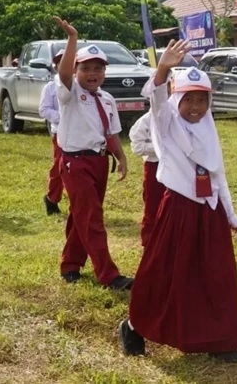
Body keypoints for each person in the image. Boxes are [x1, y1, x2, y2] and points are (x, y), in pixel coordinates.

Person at [120, 42, 237, 362]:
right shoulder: (165, 123)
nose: (195, 107)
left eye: (202, 100)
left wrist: (230, 215)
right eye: (188, 99)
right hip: (178, 210)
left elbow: (218, 176)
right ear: (177, 100)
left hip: (210, 212)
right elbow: (156, 96)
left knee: (216, 277)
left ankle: (221, 341)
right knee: (163, 273)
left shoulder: (208, 129)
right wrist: (163, 67)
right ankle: (135, 327)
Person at [52, 17, 133, 290]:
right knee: (92, 219)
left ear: (105, 73)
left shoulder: (107, 99)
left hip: (99, 162)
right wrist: (72, 39)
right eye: (85, 68)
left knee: (82, 215)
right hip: (75, 162)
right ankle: (108, 275)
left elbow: (111, 133)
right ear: (76, 71)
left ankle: (70, 265)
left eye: (98, 69)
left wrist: (120, 157)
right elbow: (64, 75)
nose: (92, 73)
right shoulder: (70, 92)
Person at [129, 109, 164, 247]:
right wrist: (161, 147)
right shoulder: (147, 120)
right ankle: (149, 245)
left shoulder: (180, 117)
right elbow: (137, 146)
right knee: (153, 206)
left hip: (178, 167)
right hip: (154, 166)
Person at [39, 49, 66, 215]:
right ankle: (52, 198)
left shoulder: (81, 86)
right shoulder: (50, 87)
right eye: (60, 63)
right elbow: (44, 109)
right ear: (55, 66)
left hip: (82, 136)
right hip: (61, 133)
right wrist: (62, 118)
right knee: (59, 167)